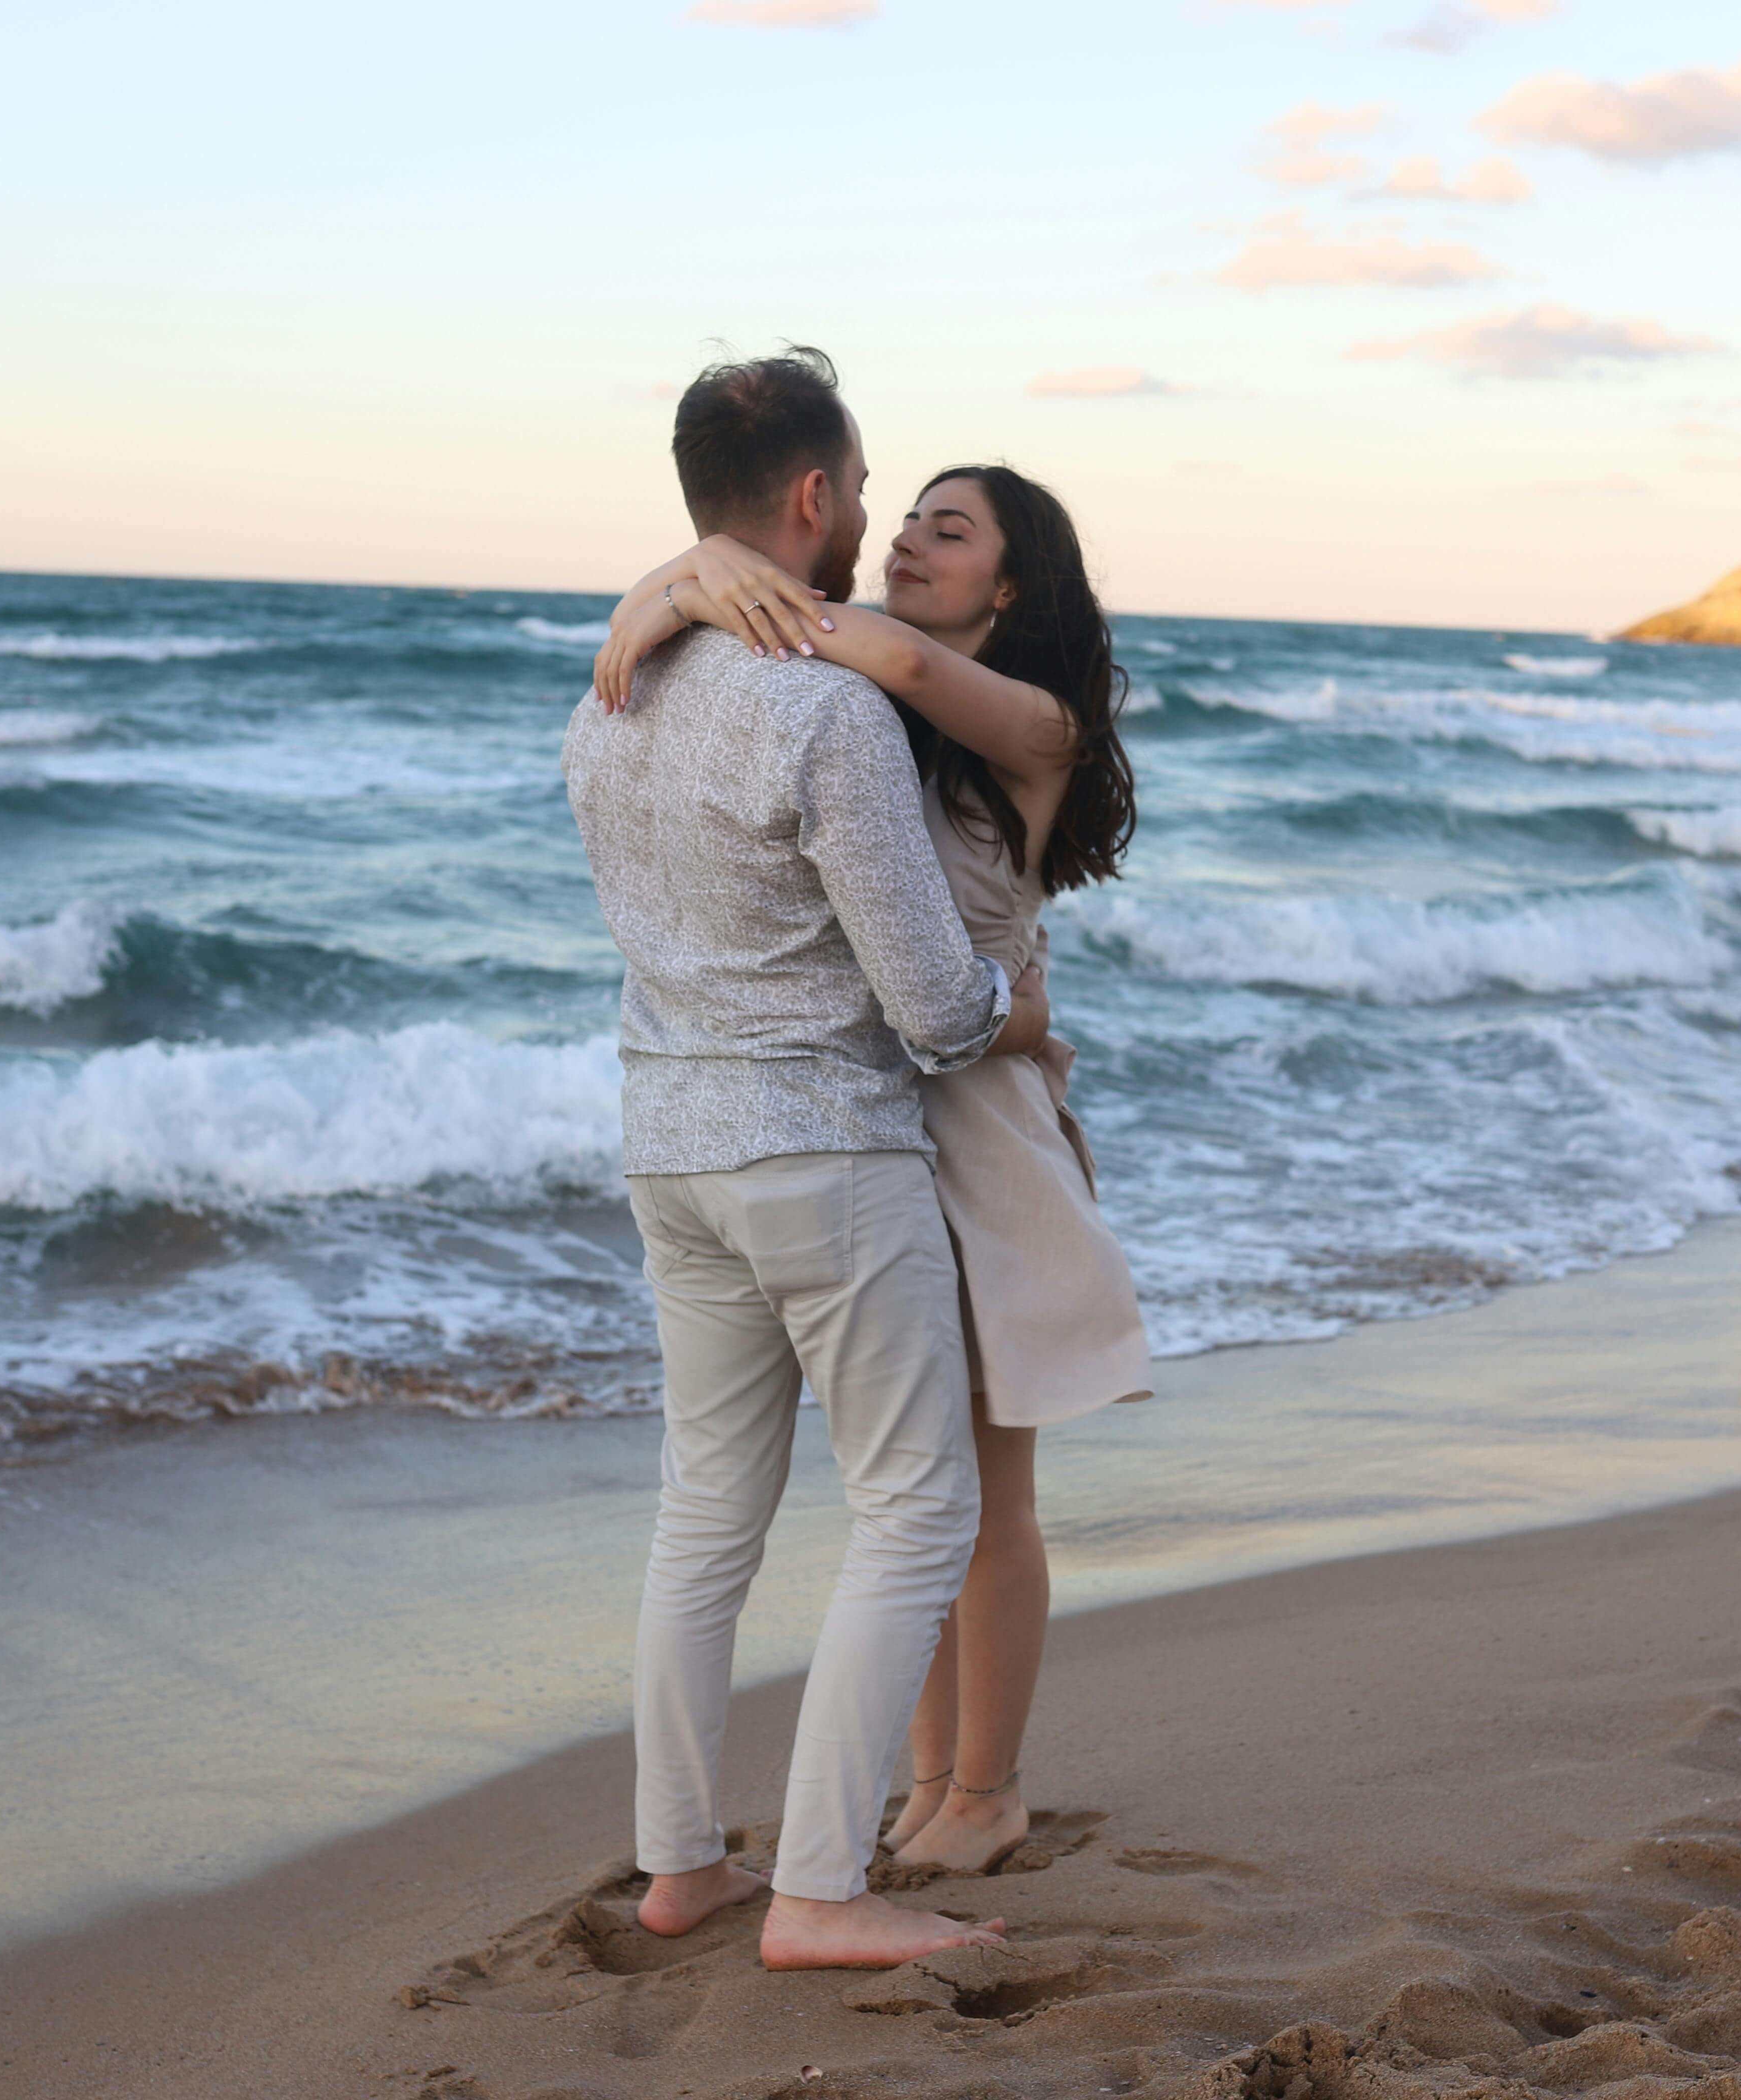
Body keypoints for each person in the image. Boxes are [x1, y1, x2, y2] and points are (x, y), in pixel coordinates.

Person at [562, 347, 1053, 1970]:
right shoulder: (830, 709)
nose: (871, 532)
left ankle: (680, 1866)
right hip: (821, 1154)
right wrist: (1017, 1014)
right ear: (816, 498)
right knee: (916, 1512)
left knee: (706, 1517)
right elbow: (927, 1007)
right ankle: (824, 1893)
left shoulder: (614, 690)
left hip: (668, 1146)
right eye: (863, 495)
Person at [596, 456, 1152, 1880]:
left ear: (1011, 583)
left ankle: (992, 1789)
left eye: (945, 529)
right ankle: (920, 1784)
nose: (905, 539)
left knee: (984, 1494)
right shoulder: (866, 717)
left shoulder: (1036, 723)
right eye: (900, 516)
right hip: (864, 1121)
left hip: (982, 1131)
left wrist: (695, 581)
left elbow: (890, 646)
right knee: (903, 1492)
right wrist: (678, 581)